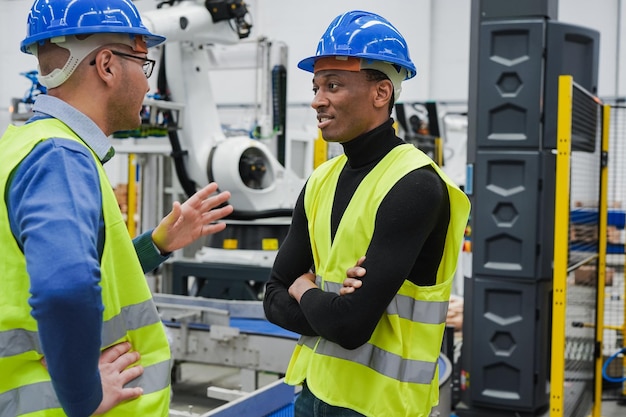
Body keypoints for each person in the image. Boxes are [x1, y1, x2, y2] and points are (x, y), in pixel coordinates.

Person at [0, 0, 234, 416]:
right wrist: (84, 396)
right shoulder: (60, 155)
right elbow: (65, 289)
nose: (147, 85)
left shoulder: (20, 146)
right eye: (143, 65)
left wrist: (154, 246)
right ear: (107, 65)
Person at [263, 10, 470, 417]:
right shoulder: (320, 181)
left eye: (334, 85)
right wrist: (331, 305)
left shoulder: (414, 186)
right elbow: (271, 297)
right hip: (313, 393)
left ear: (381, 94)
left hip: (381, 407)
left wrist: (303, 289)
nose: (317, 100)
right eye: (317, 86)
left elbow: (349, 327)